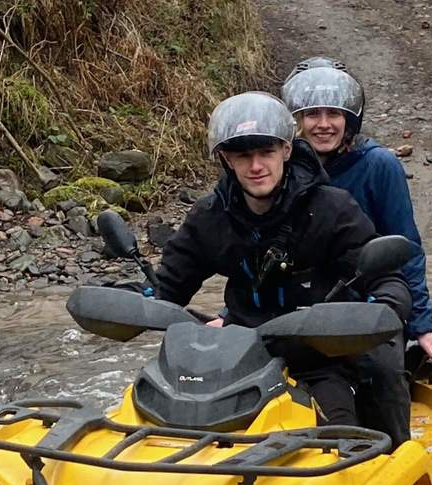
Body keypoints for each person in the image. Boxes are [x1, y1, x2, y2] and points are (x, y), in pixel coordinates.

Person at [156, 91, 411, 426]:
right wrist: (136, 303)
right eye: (243, 155)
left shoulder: (332, 208)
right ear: (226, 160)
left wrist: (386, 304)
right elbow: (168, 286)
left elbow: (384, 275)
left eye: (266, 152)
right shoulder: (209, 215)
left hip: (322, 357)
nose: (257, 166)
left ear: (287, 150)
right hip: (240, 358)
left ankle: (396, 453)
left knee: (361, 407)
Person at [281, 58, 432, 444]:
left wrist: (422, 326)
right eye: (312, 114)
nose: (323, 124)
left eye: (333, 114)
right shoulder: (280, 170)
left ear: (349, 120)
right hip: (298, 312)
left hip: (371, 307)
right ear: (296, 121)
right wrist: (230, 314)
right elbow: (262, 248)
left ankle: (398, 466)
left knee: (384, 379)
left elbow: (406, 247)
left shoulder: (378, 165)